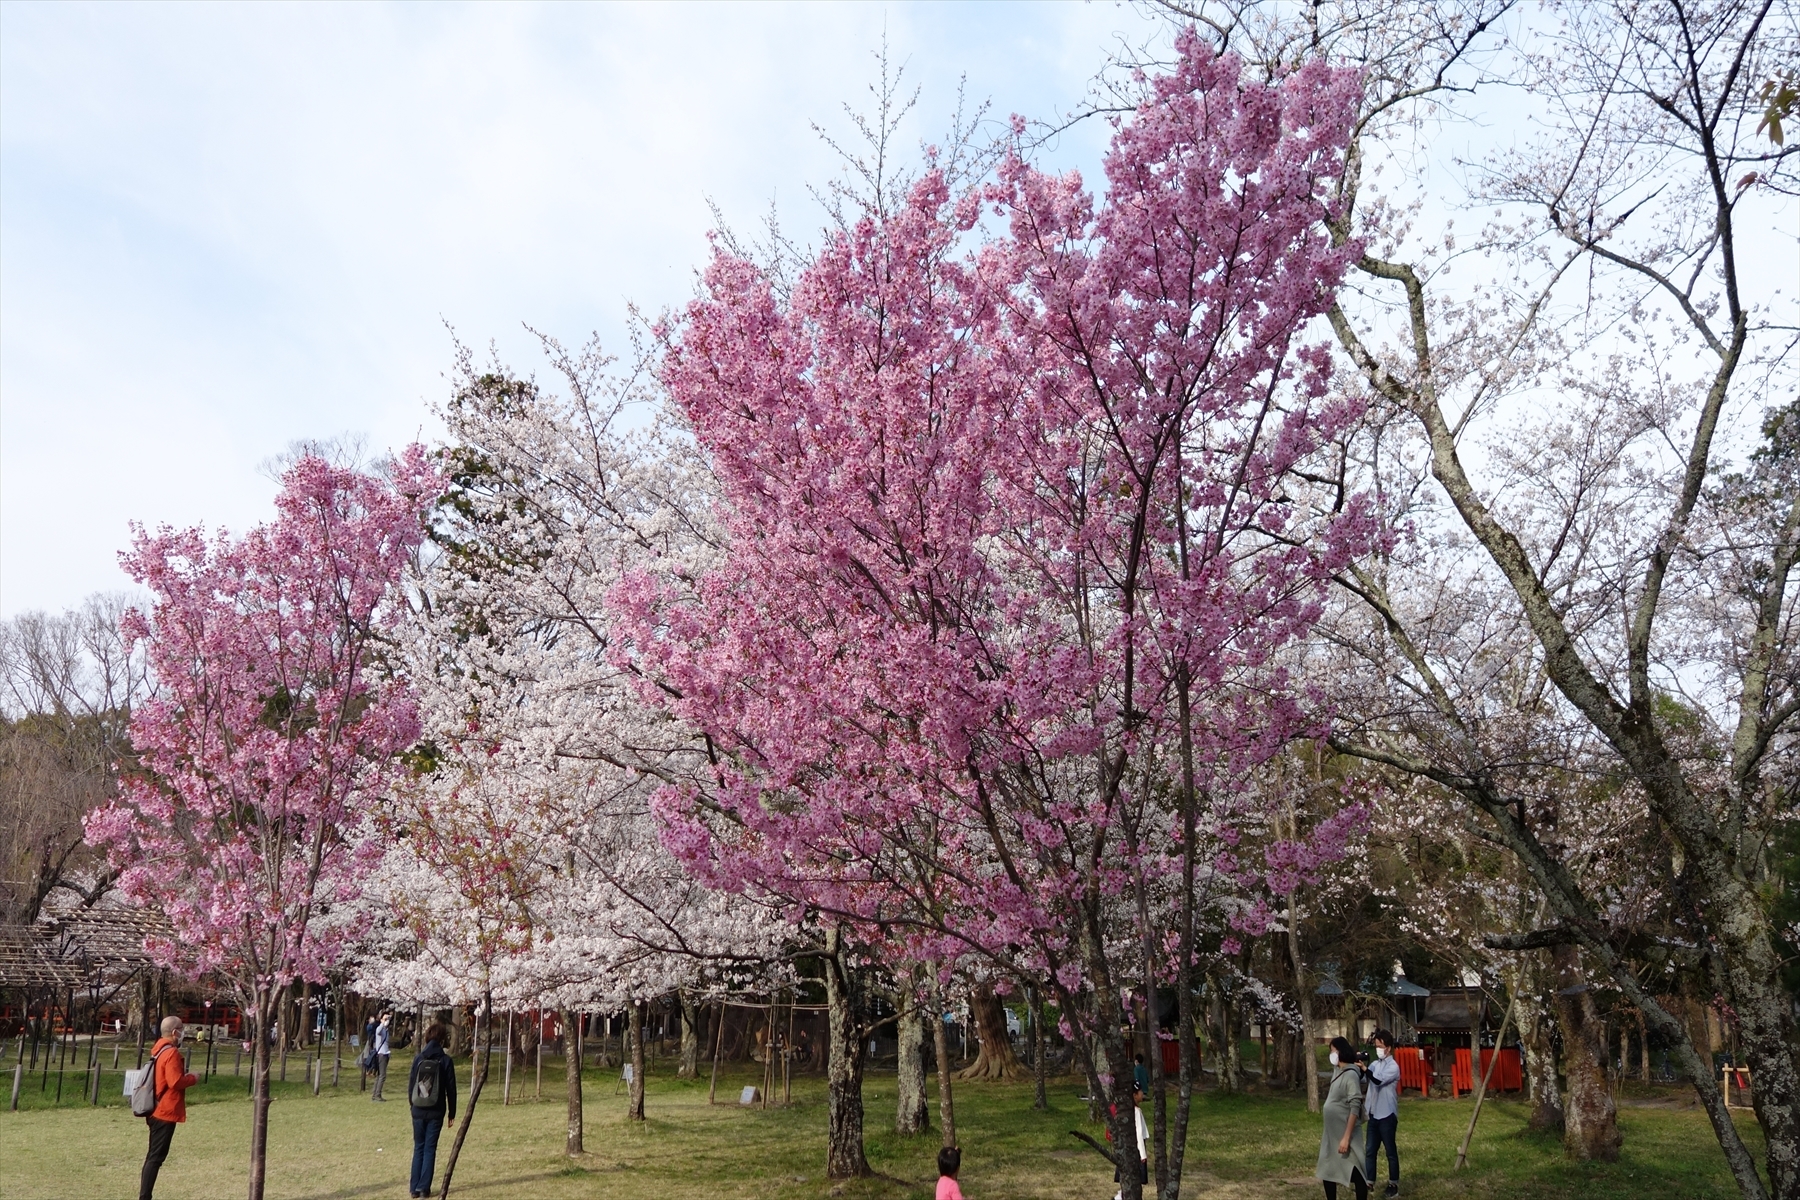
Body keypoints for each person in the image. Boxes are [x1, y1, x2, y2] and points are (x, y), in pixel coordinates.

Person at [139, 1015, 200, 1200]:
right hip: (164, 1110)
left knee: (154, 1156)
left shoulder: (158, 1050)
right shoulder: (171, 1052)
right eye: (181, 1028)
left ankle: (145, 1195)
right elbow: (175, 1082)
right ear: (175, 1032)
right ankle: (145, 1196)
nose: (183, 1032)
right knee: (155, 1157)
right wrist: (193, 1078)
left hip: (155, 1107)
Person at [407, 1022, 458, 1199]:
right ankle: (423, 1188)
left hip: (418, 1109)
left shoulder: (418, 1059)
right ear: (443, 1038)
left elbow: (411, 1084)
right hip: (436, 1111)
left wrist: (412, 1105)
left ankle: (414, 1188)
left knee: (418, 1148)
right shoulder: (445, 1061)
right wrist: (452, 1112)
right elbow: (451, 1089)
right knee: (430, 1149)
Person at [1316, 1036, 1368, 1200]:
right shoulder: (1338, 1071)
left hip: (1346, 1132)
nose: (1331, 1055)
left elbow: (1355, 1106)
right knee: (1327, 1169)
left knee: (1355, 1169)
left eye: (1333, 1051)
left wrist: (1346, 1138)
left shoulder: (1351, 1075)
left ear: (1341, 1052)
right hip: (1331, 1134)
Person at [1363, 1029, 1401, 1198]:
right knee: (1370, 1150)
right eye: (1376, 1046)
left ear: (1389, 1048)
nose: (1378, 1049)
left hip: (1387, 1114)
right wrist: (1357, 1066)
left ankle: (1394, 1184)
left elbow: (1377, 1081)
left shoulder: (1393, 1067)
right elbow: (1364, 1079)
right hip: (1373, 1113)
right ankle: (1369, 1181)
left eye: (1381, 1046)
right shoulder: (1374, 1065)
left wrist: (1365, 1069)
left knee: (1390, 1151)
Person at [1111, 1082, 1150, 1200]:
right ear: (1134, 1095)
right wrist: (1143, 1154)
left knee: (1127, 1178)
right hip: (1136, 1151)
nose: (1142, 1094)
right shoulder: (1136, 1112)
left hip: (1126, 1149)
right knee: (1133, 1179)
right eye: (1140, 1092)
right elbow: (1138, 1133)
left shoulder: (1126, 1111)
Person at [371, 1010, 393, 1101]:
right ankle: (377, 1095)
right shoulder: (380, 1029)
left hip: (386, 1053)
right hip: (381, 1054)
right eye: (385, 1018)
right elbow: (378, 1031)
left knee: (380, 1075)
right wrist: (383, 1022)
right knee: (382, 1075)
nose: (387, 1020)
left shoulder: (386, 1030)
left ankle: (375, 1094)